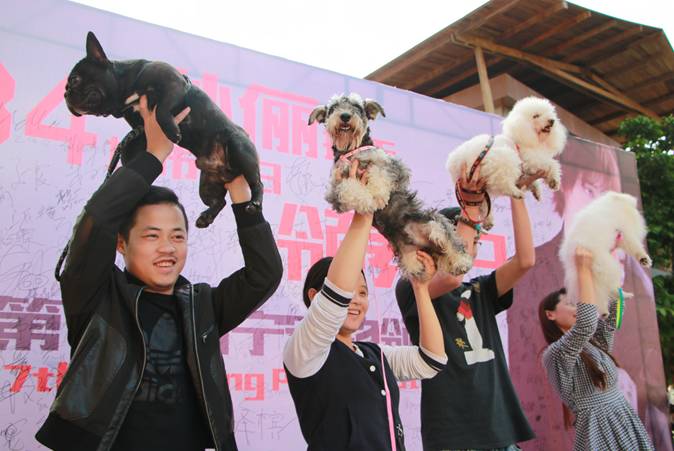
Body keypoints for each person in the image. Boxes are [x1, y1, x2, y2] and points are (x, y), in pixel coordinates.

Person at [36, 96, 283, 451]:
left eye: (177, 236)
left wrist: (240, 193)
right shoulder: (98, 296)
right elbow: (97, 222)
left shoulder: (201, 308)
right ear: (122, 243)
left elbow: (265, 274)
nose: (167, 248)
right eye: (152, 236)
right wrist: (153, 156)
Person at [283, 160, 448, 450]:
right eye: (349, 291)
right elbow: (335, 298)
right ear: (314, 296)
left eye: (362, 292)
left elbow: (432, 360)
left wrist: (421, 288)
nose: (355, 300)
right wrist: (365, 211)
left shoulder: (374, 354)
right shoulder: (306, 350)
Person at [396, 164, 539, 450]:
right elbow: (452, 275)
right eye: (469, 238)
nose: (473, 247)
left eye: (476, 241)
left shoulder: (481, 290)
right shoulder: (414, 286)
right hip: (454, 434)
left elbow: (525, 261)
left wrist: (517, 194)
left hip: (498, 429)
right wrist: (471, 207)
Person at [539, 247, 654, 451]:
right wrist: (582, 269)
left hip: (623, 418)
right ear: (550, 314)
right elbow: (586, 323)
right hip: (598, 428)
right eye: (571, 303)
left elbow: (613, 317)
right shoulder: (554, 354)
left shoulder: (593, 344)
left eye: (579, 303)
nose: (578, 307)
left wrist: (606, 269)